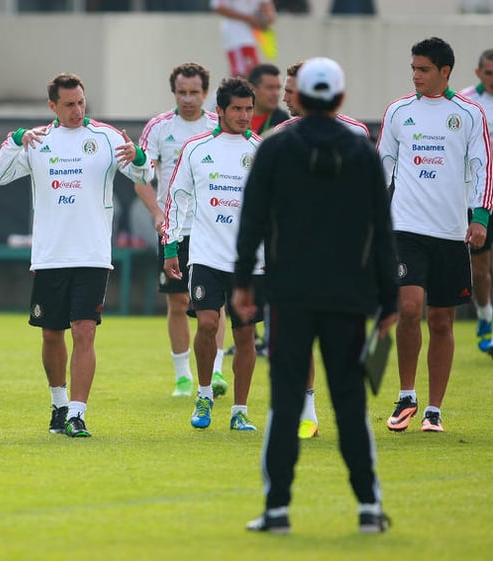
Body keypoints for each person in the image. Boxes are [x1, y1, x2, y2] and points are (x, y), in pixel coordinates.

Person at [233, 57, 397, 534]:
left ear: (298, 97)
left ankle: (277, 510)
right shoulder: (362, 151)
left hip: (290, 296)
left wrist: (244, 281)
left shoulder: (276, 148)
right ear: (341, 100)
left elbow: (253, 222)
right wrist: (390, 301)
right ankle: (368, 507)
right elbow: (382, 231)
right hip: (350, 297)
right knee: (350, 406)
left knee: (285, 405)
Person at [0, 72, 154, 438]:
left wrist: (140, 156)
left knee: (84, 331)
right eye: (69, 104)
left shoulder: (107, 138)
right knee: (52, 335)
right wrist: (15, 139)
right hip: (50, 255)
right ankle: (59, 403)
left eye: (81, 102)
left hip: (93, 254)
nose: (77, 110)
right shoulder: (37, 140)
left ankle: (78, 414)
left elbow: (142, 174)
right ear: (52, 106)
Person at [378, 37, 493, 433]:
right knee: (409, 309)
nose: (416, 76)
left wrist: (480, 217)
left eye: (423, 69)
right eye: (413, 68)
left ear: (445, 72)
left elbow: (483, 169)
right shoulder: (397, 111)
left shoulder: (469, 113)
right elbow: (383, 167)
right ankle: (407, 395)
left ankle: (434, 410)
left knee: (442, 320)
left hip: (450, 232)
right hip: (405, 229)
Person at [275, 59, 372, 439]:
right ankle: (307, 412)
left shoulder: (356, 134)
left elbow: (371, 200)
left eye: (290, 90)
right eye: (284, 90)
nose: (286, 97)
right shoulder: (279, 136)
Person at [162, 77, 263, 432]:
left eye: (249, 109)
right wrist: (171, 246)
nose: (243, 115)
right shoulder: (195, 148)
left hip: (250, 262)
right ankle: (204, 394)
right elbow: (177, 199)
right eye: (236, 108)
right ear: (219, 110)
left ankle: (240, 409)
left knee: (245, 334)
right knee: (207, 323)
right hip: (205, 256)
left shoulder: (263, 151)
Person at [134, 62, 228, 399]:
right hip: (174, 229)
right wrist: (158, 213)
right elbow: (141, 176)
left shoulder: (220, 125)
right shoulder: (159, 128)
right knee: (177, 301)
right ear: (174, 93)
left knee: (215, 304)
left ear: (206, 93)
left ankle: (216, 372)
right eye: (181, 92)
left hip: (214, 230)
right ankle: (183, 376)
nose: (188, 99)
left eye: (194, 92)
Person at [460, 50, 493, 352]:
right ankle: (485, 314)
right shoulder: (467, 102)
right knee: (481, 270)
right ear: (478, 73)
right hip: (480, 198)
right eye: (489, 73)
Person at [210, 0, 276, 78]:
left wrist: (267, 17)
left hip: (251, 37)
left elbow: (268, 9)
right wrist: (248, 18)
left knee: (253, 76)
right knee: (243, 76)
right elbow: (218, 7)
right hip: (237, 37)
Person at [248, 63, 289, 135]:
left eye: (278, 88)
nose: (276, 93)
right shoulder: (235, 118)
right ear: (252, 89)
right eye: (270, 88)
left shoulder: (284, 123)